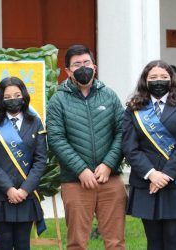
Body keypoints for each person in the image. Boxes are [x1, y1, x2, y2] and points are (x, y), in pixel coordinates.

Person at [46, 45, 126, 250]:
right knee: (77, 243)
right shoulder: (58, 100)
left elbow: (122, 132)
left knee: (116, 243)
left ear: (95, 66)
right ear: (68, 71)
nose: (83, 67)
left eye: (86, 63)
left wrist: (108, 164)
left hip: (111, 179)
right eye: (77, 64)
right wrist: (81, 169)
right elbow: (56, 138)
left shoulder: (109, 96)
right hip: (75, 182)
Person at [122, 60, 176, 250]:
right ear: (145, 80)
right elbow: (130, 147)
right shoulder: (134, 107)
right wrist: (151, 173)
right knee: (153, 242)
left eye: (164, 77)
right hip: (147, 182)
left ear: (172, 79)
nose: (158, 81)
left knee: (173, 240)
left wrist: (167, 175)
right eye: (153, 77)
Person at [0, 76, 47, 250]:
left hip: (27, 194)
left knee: (23, 244)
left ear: (24, 96)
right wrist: (9, 189)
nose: (13, 100)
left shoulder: (35, 122)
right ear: (1, 100)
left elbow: (40, 161)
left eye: (17, 95)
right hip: (0, 195)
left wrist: (24, 190)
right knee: (3, 244)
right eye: (7, 97)